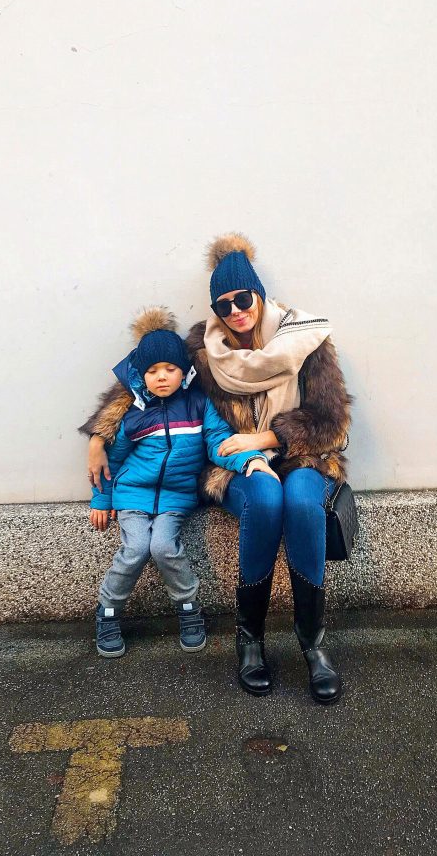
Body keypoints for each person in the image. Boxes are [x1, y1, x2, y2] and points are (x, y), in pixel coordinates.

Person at [85, 238, 353, 704]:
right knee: (266, 499)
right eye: (223, 305)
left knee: (300, 501)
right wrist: (98, 436)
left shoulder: (305, 339)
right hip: (231, 464)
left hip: (301, 456)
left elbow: (333, 423)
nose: (235, 312)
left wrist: (265, 440)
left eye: (242, 299)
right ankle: (250, 641)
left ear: (258, 295)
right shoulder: (202, 346)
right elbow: (141, 380)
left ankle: (313, 644)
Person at [80, 306, 273, 659]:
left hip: (175, 497)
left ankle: (188, 608)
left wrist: (250, 460)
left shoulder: (198, 405)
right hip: (132, 495)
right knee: (135, 549)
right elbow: (112, 461)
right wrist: (101, 500)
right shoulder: (135, 414)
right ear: (142, 376)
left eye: (170, 369)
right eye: (153, 371)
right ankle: (107, 611)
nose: (162, 377)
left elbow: (218, 442)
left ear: (184, 371)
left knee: (163, 548)